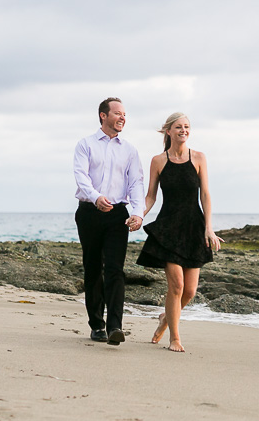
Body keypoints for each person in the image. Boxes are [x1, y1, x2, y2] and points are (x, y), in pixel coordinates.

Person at [137, 112, 222, 352]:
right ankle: (175, 337)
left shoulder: (198, 158)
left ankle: (166, 318)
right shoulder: (158, 161)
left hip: (194, 228)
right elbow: (151, 196)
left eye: (186, 127)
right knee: (176, 287)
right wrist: (138, 216)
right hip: (168, 229)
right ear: (168, 131)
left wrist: (209, 228)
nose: (183, 130)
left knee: (191, 291)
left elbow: (205, 194)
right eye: (178, 127)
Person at [73, 98, 145, 346]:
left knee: (115, 270)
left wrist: (138, 212)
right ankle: (97, 325)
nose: (122, 117)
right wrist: (96, 198)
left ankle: (115, 325)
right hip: (89, 212)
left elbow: (136, 183)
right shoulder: (86, 145)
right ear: (103, 116)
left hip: (117, 215)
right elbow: (81, 177)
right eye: (117, 113)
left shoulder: (130, 150)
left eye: (124, 114)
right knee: (93, 268)